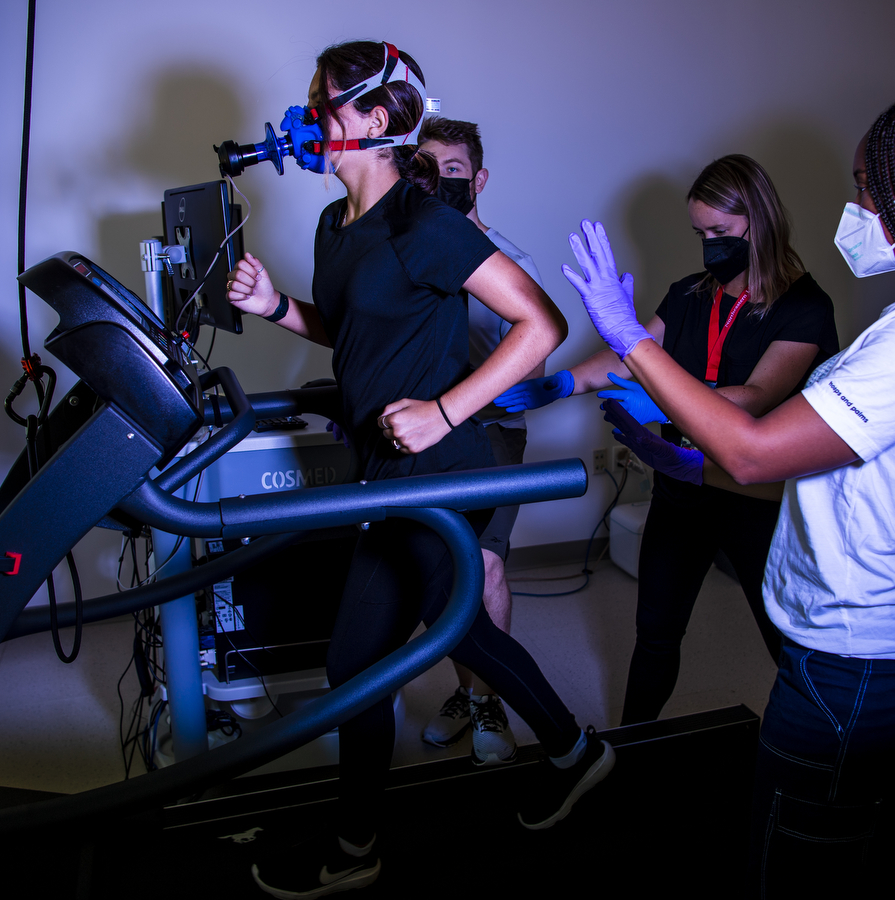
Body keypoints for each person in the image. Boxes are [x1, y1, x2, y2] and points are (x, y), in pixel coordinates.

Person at [568, 85, 895, 896]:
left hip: (866, 663)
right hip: (872, 646)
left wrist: (631, 339)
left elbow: (749, 448)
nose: (855, 206)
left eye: (864, 185)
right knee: (841, 846)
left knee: (790, 873)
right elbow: (825, 474)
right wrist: (684, 465)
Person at [224, 41, 614, 898]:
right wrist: (276, 308)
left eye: (324, 105)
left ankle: (357, 845)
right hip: (383, 472)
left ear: (375, 117)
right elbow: (354, 330)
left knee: (363, 660)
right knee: (448, 632)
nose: (307, 121)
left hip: (445, 474)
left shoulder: (422, 222)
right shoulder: (339, 226)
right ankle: (577, 752)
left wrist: (445, 410)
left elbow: (540, 326)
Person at [496, 155, 838, 726]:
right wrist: (562, 383)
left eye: (721, 233)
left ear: (760, 221)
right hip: (681, 485)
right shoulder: (688, 295)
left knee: (785, 642)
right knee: (654, 634)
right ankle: (633, 745)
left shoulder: (804, 307)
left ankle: (815, 747)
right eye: (700, 233)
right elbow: (632, 355)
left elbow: (755, 396)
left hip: (755, 497)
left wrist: (660, 403)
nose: (708, 245)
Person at [413, 116, 548, 764]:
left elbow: (537, 367)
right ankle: (468, 692)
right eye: (429, 172)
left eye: (456, 174)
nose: (442, 184)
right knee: (440, 567)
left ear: (480, 180)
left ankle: (491, 699)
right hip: (423, 430)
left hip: (490, 429)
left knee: (484, 563)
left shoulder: (510, 264)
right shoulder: (407, 253)